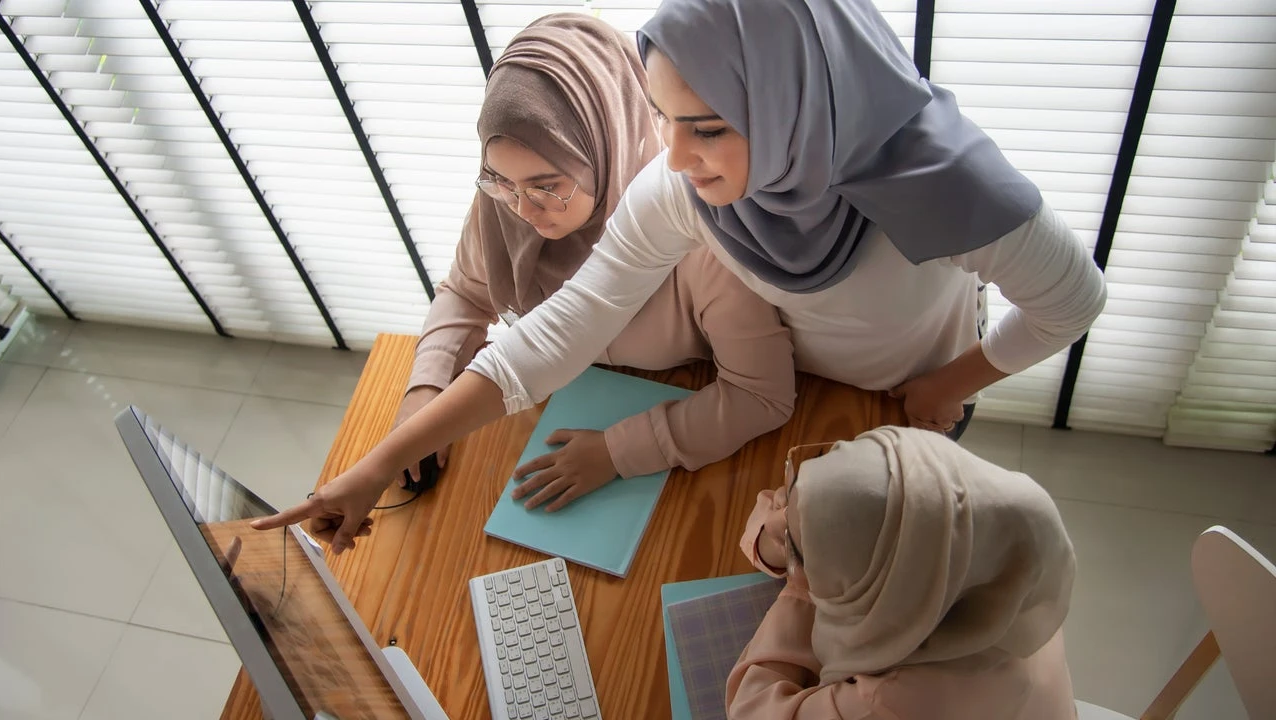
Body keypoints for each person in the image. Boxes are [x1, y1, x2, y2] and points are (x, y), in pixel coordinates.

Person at [252, 0, 1106, 553]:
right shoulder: (687, 190)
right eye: (661, 117)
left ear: (793, 104)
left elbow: (1073, 300)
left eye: (708, 127)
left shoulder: (942, 184)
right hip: (798, 384)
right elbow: (561, 330)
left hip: (906, 395)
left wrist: (951, 383)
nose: (673, 157)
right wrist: (379, 462)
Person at [387, 13, 795, 513]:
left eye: (546, 186)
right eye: (501, 181)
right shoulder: (503, 208)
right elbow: (465, 292)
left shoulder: (696, 227)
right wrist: (426, 389)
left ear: (608, 142)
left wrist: (616, 452)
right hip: (551, 411)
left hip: (684, 433)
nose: (523, 210)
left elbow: (760, 395)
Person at [730, 427, 1077, 719]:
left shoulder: (887, 700)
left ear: (888, 592)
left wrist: (800, 583)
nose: (776, 521)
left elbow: (752, 710)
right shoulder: (1011, 567)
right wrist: (801, 534)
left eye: (799, 548)